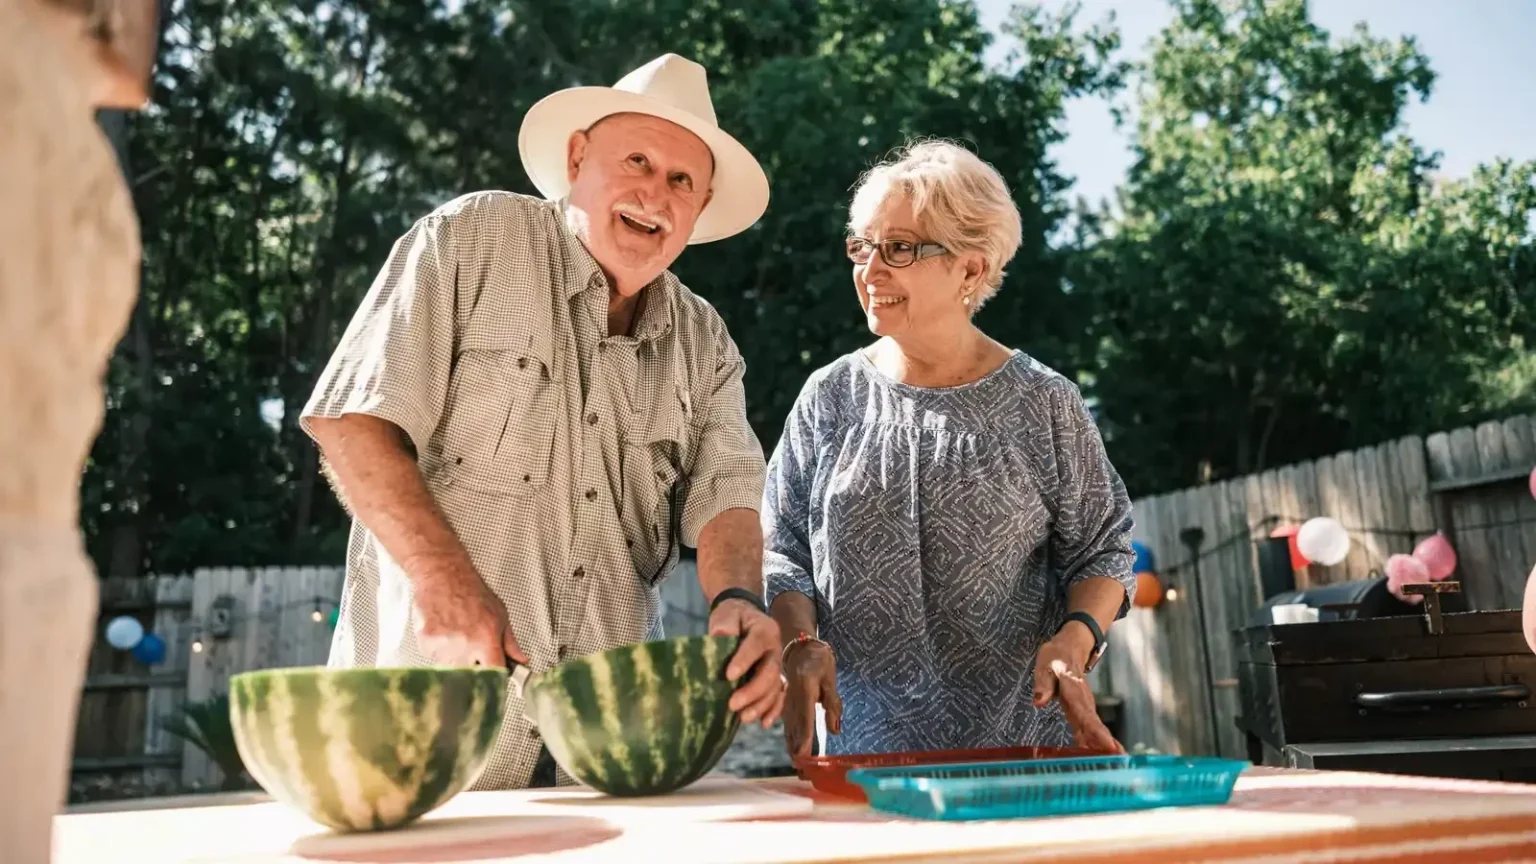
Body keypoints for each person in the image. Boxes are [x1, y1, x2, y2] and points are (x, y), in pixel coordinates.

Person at [300, 54, 785, 790]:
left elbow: (730, 494)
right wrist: (442, 578)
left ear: (700, 205)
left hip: (607, 759)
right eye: (637, 161)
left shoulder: (706, 340)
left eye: (681, 181)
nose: (655, 193)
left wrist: (740, 600)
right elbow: (354, 423)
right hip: (424, 736)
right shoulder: (471, 237)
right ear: (577, 158)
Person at [762, 140, 1136, 761]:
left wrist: (1075, 639)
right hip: (863, 756)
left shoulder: (1043, 403)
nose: (870, 270)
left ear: (971, 269)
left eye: (900, 248)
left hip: (1023, 753)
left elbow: (1103, 550)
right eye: (863, 245)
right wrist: (799, 642)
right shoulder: (830, 397)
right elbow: (782, 551)